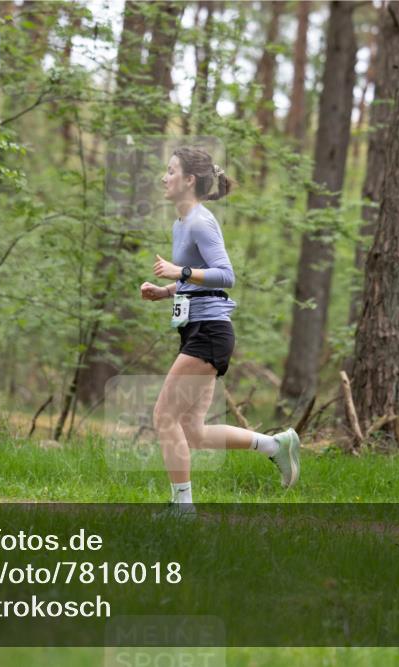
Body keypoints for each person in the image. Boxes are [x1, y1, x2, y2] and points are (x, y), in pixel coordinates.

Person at [139, 146, 300, 515]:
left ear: (189, 180)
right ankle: (276, 446)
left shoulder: (200, 221)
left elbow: (226, 275)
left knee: (164, 416)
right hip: (199, 328)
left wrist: (178, 272)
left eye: (171, 171)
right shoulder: (181, 223)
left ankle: (183, 510)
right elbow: (196, 279)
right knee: (193, 431)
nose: (164, 178)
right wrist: (164, 291)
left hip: (209, 332)